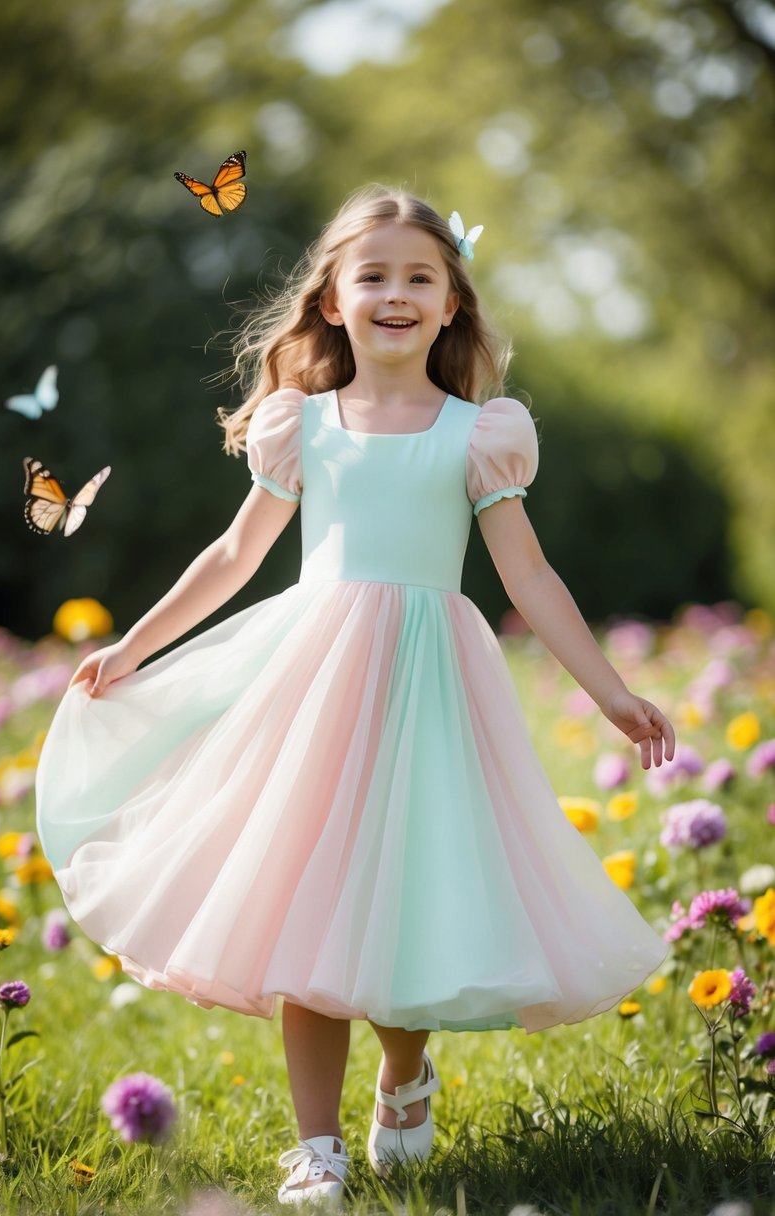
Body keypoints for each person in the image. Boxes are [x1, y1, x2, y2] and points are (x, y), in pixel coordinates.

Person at [35, 186, 675, 1207]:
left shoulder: (480, 434)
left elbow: (529, 576)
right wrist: (138, 643)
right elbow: (236, 554)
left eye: (419, 276)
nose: (394, 292)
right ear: (331, 300)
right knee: (309, 905)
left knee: (407, 897)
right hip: (312, 684)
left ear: (451, 303)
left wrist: (612, 693)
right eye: (371, 274)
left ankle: (404, 1072)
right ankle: (316, 1146)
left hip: (428, 685)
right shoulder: (303, 427)